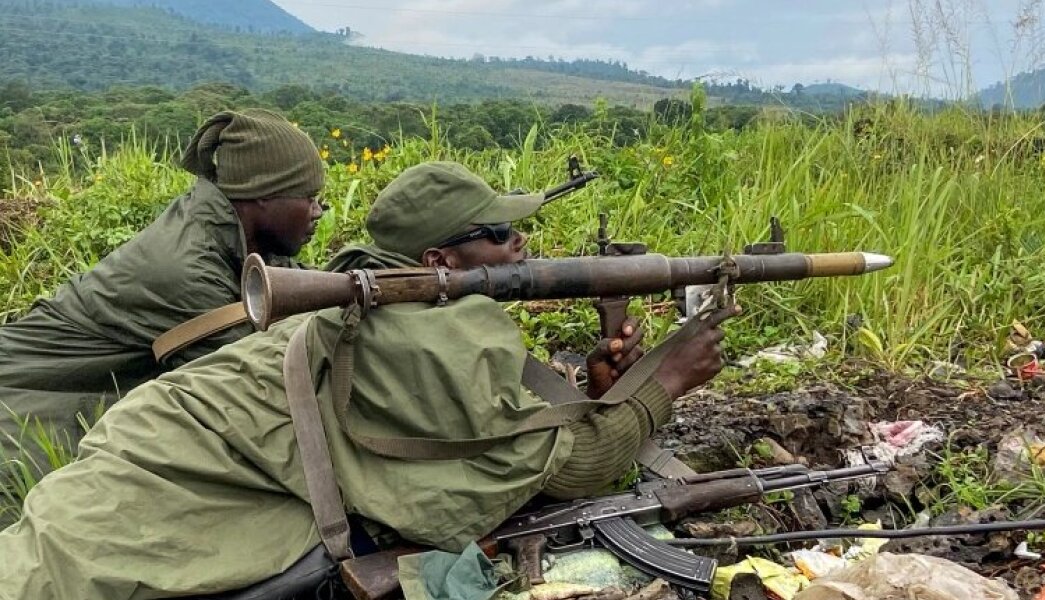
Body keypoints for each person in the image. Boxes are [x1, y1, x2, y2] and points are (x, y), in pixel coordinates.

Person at [0, 162, 737, 600]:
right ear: (439, 261)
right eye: (502, 235)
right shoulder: (424, 335)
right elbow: (577, 464)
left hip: (147, 447)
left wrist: (586, 385)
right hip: (154, 488)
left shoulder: (370, 290)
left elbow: (486, 413)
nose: (522, 247)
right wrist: (665, 378)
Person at [0, 109, 325, 472]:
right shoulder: (189, 268)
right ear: (263, 194)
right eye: (309, 197)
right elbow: (257, 389)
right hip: (23, 400)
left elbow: (296, 282)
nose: (319, 210)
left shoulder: (227, 231)